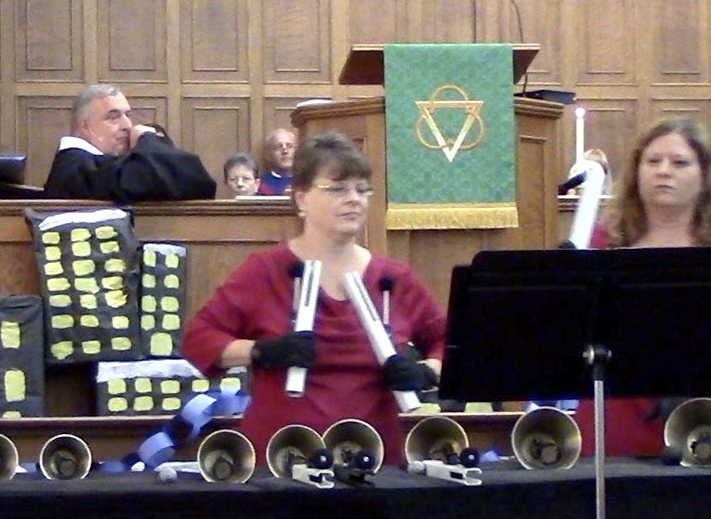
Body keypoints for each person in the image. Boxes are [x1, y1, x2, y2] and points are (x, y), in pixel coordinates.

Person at [183, 131, 445, 464]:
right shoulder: (265, 272)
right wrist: (261, 351)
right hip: (285, 459)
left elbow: (449, 341)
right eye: (337, 188)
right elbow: (199, 339)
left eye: (362, 189)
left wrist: (428, 371)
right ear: (302, 197)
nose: (354, 199)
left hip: (373, 461)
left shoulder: (393, 278)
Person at [588, 117, 711, 458]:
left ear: (703, 176)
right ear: (636, 172)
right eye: (652, 161)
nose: (664, 171)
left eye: (679, 162)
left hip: (709, 424)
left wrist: (693, 372)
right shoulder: (603, 243)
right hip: (615, 427)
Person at [44, 84, 216, 203]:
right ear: (86, 126)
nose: (127, 125)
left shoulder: (92, 166)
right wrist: (147, 139)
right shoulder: (78, 168)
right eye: (113, 116)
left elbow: (196, 181)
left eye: (128, 115)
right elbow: (170, 176)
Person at [258, 128, 298, 196]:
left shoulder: (307, 180)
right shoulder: (261, 184)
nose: (285, 151)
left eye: (290, 146)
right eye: (278, 147)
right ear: (269, 154)